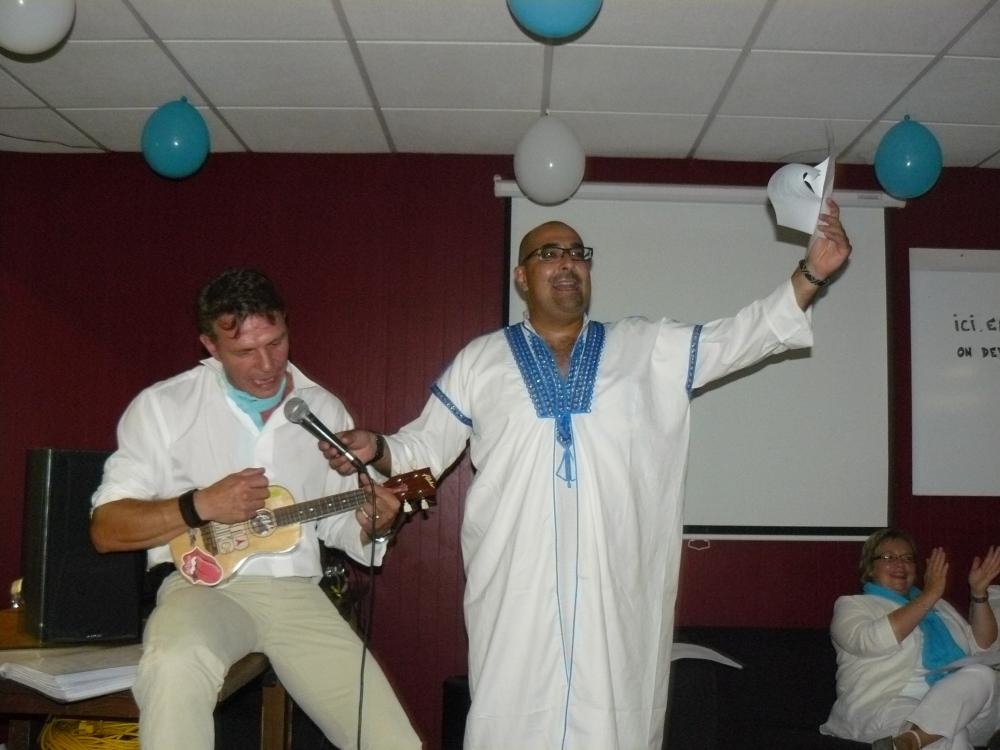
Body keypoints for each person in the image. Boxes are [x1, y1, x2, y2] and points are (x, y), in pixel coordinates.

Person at [324, 200, 852, 750]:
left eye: (577, 253)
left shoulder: (647, 347)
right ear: (522, 276)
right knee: (511, 714)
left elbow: (740, 337)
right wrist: (378, 447)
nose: (567, 263)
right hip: (514, 582)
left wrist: (811, 274)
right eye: (549, 253)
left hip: (615, 583)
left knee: (612, 718)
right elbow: (424, 450)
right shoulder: (481, 361)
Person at [89, 268, 423, 750]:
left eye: (276, 342)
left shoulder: (322, 408)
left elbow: (339, 526)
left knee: (391, 741)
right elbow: (106, 528)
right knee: (173, 664)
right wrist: (200, 504)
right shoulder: (163, 406)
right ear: (210, 345)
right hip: (203, 589)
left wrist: (375, 522)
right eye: (245, 351)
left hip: (297, 594)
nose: (267, 364)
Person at [821, 528, 1000, 750]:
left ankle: (909, 741)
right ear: (870, 567)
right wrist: (929, 595)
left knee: (982, 674)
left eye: (907, 558)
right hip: (888, 703)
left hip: (960, 703)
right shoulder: (853, 606)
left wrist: (979, 593)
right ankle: (918, 736)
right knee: (950, 736)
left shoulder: (940, 607)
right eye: (889, 557)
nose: (900, 564)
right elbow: (872, 641)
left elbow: (983, 645)